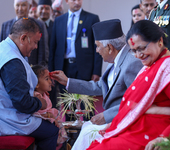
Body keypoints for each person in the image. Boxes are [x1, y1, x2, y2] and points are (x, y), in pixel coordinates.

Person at [50, 19, 143, 150]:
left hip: (123, 121)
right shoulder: (118, 60)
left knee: (87, 132)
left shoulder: (132, 63)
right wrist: (67, 81)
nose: (97, 51)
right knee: (86, 128)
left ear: (110, 47)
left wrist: (106, 116)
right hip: (114, 119)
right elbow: (100, 86)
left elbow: (136, 102)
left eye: (98, 46)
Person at [0, 17, 59, 150]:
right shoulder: (11, 60)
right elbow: (22, 103)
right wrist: (41, 103)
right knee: (51, 131)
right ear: (23, 38)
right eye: (35, 42)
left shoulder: (0, 50)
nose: (36, 47)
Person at [82, 20, 170, 150]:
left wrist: (163, 137)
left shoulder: (166, 67)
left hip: (150, 132)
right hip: (134, 127)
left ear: (160, 41)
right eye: (134, 51)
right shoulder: (150, 66)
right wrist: (115, 123)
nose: (138, 55)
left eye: (142, 48)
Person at [49, 0, 102, 115]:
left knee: (87, 105)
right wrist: (51, 72)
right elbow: (53, 48)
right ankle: (71, 133)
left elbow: (97, 47)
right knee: (69, 106)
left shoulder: (92, 18)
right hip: (64, 67)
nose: (77, 2)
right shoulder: (59, 20)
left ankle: (89, 131)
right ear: (67, 1)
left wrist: (96, 71)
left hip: (85, 68)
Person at [0, 0, 49, 66]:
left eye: (23, 5)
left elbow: (42, 53)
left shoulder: (39, 24)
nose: (20, 9)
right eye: (17, 5)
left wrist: (40, 71)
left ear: (30, 6)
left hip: (32, 67)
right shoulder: (6, 25)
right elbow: (1, 49)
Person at [31, 64, 68, 148]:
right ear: (36, 84)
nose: (50, 82)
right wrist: (51, 116)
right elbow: (37, 114)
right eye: (46, 79)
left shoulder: (44, 94)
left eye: (50, 79)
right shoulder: (36, 97)